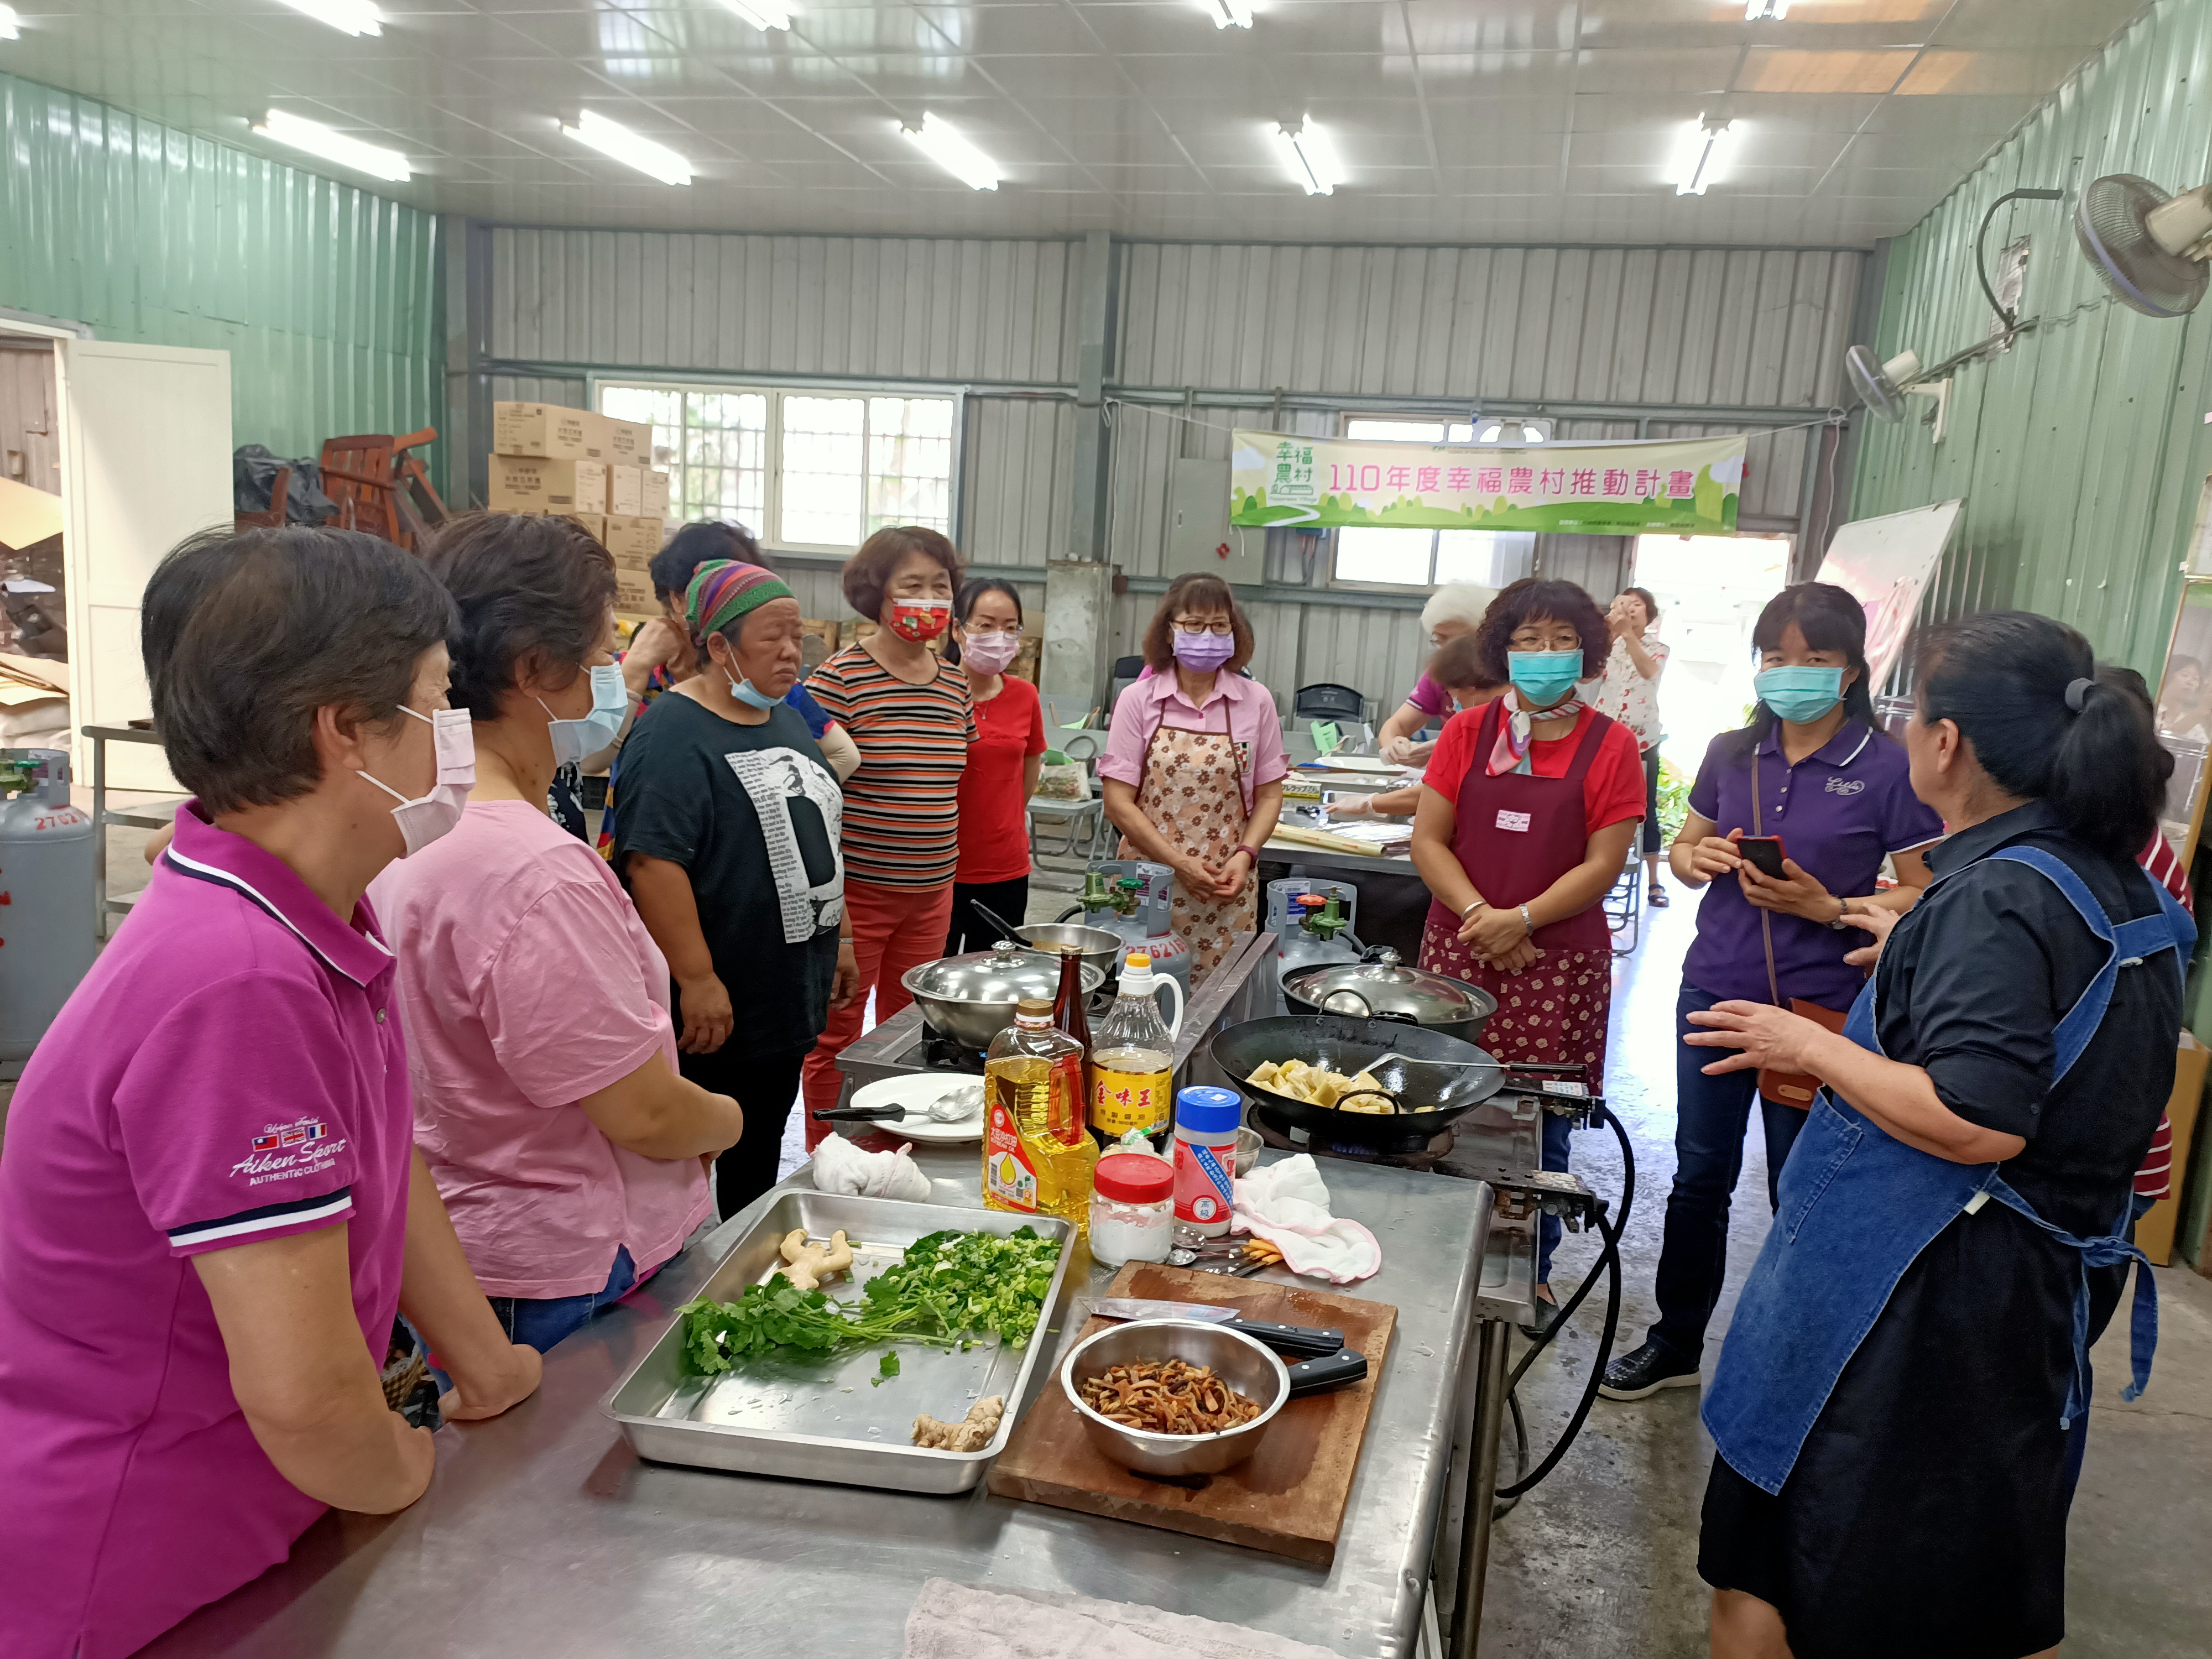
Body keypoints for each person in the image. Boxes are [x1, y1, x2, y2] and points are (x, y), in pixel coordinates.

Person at [0, 525, 540, 1658]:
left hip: (252, 1520)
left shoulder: (314, 917)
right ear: (345, 729)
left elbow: (382, 1161)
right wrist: (403, 1472)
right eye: (438, 702)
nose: (458, 740)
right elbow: (304, 1398)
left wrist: (484, 1362)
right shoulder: (235, 985)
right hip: (143, 1568)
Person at [1683, 611, 2190, 1659]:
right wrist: (1917, 939)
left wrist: (1805, 1043)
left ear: (1948, 743)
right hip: (2038, 1292)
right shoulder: (2108, 879)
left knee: (1770, 1565)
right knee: (1979, 1576)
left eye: (1917, 715)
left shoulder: (1996, 897)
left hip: (1921, 1297)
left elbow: (1977, 1118)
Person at [368, 514, 745, 1351]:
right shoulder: (530, 871)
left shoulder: (404, 819)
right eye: (593, 661)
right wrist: (729, 1121)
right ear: (532, 668)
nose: (607, 682)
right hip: (559, 1268)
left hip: (461, 1244)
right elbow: (641, 1112)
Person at [1600, 582, 1944, 1402]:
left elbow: (1926, 889)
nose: (1793, 675)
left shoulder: (1889, 766)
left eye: (1816, 660)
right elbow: (1682, 852)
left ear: (1853, 672)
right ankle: (1676, 1342)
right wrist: (1702, 859)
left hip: (1820, 1009)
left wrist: (1830, 909)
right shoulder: (1729, 753)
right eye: (1778, 659)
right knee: (1697, 1176)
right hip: (1717, 988)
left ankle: (1797, 1360)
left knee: (1803, 1183)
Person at [1408, 577, 1644, 1309]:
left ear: (1588, 652)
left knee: (1540, 1119)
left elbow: (1605, 863)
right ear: (1502, 650)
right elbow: (1429, 839)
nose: (1546, 655)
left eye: (1563, 641)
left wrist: (1525, 920)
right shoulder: (1465, 733)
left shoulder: (1613, 746)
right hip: (1463, 950)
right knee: (1441, 1108)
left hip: (1557, 962)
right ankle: (1434, 1255)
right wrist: (1487, 915)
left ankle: (1530, 1268)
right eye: (1529, 641)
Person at [618, 559, 858, 1217]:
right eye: (771, 639)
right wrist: (696, 978)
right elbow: (652, 864)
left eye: (797, 639)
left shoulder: (782, 719)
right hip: (720, 1001)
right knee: (693, 1159)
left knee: (758, 1149)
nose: (790, 654)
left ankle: (747, 1262)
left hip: (784, 992)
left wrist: (840, 940)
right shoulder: (672, 733)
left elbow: (823, 833)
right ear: (719, 646)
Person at [799, 526, 975, 1136]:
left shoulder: (956, 684)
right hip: (858, 900)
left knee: (908, 1033)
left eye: (941, 586)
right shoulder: (838, 680)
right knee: (837, 1035)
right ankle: (831, 1153)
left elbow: (951, 781)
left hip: (931, 894)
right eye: (913, 586)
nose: (930, 599)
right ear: (877, 594)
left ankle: (891, 1148)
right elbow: (815, 802)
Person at [594, 521, 858, 860]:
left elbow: (844, 755)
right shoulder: (637, 672)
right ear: (677, 597)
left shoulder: (768, 685)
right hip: (639, 852)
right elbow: (594, 760)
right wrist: (636, 667)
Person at [1099, 573, 1288, 983]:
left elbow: (1270, 795)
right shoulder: (1139, 700)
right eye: (1194, 625)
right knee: (1142, 998)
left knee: (1218, 1008)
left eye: (1220, 626)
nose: (1208, 636)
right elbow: (1117, 801)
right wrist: (1178, 864)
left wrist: (1246, 855)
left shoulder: (1256, 701)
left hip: (1226, 886)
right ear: (1170, 631)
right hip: (1148, 882)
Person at [945, 577, 1047, 953]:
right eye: (985, 625)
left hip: (1005, 868)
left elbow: (1030, 767)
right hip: (939, 868)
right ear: (958, 629)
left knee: (993, 985)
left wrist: (1000, 818)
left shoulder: (1025, 695)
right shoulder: (937, 692)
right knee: (929, 987)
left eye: (1010, 628)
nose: (998, 637)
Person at [1329, 634, 1505, 821]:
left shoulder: (1497, 724)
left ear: (1469, 688)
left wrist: (1369, 803)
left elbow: (1440, 791)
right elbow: (1399, 725)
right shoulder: (1493, 716)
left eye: (1452, 694)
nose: (1453, 704)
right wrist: (1396, 747)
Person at [1591, 585, 1672, 905]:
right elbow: (1588, 676)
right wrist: (1610, 634)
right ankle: (1593, 874)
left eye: (1638, 605)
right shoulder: (1607, 646)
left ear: (1650, 615)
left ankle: (1654, 881)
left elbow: (1649, 671)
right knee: (1595, 805)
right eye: (1625, 604)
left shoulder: (1658, 647)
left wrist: (1628, 636)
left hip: (1642, 740)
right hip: (1602, 739)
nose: (1631, 609)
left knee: (1645, 809)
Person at [1378, 581, 1499, 764]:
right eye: (1439, 640)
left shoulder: (1505, 680)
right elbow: (1398, 724)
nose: (1447, 650)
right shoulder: (1438, 676)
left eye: (1457, 640)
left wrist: (1449, 747)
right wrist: (1394, 746)